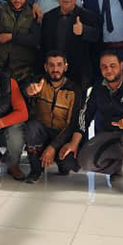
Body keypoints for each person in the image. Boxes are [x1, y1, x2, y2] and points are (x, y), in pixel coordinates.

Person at [74, 52, 123, 195]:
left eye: (112, 66)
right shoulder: (98, 88)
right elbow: (85, 114)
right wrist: (74, 142)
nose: (108, 70)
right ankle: (116, 166)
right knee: (84, 160)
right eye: (104, 67)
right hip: (109, 135)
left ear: (121, 66)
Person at [23, 51, 83, 183]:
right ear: (46, 67)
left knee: (68, 163)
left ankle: (57, 161)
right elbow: (24, 92)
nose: (55, 69)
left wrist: (53, 147)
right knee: (32, 127)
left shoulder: (74, 90)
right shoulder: (39, 82)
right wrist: (28, 92)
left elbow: (72, 124)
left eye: (59, 65)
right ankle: (36, 170)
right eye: (51, 65)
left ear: (65, 67)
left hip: (62, 135)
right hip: (42, 132)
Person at [41, 0, 100, 89]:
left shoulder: (88, 16)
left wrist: (84, 30)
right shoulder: (48, 17)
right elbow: (44, 46)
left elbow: (98, 37)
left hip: (79, 76)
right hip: (54, 74)